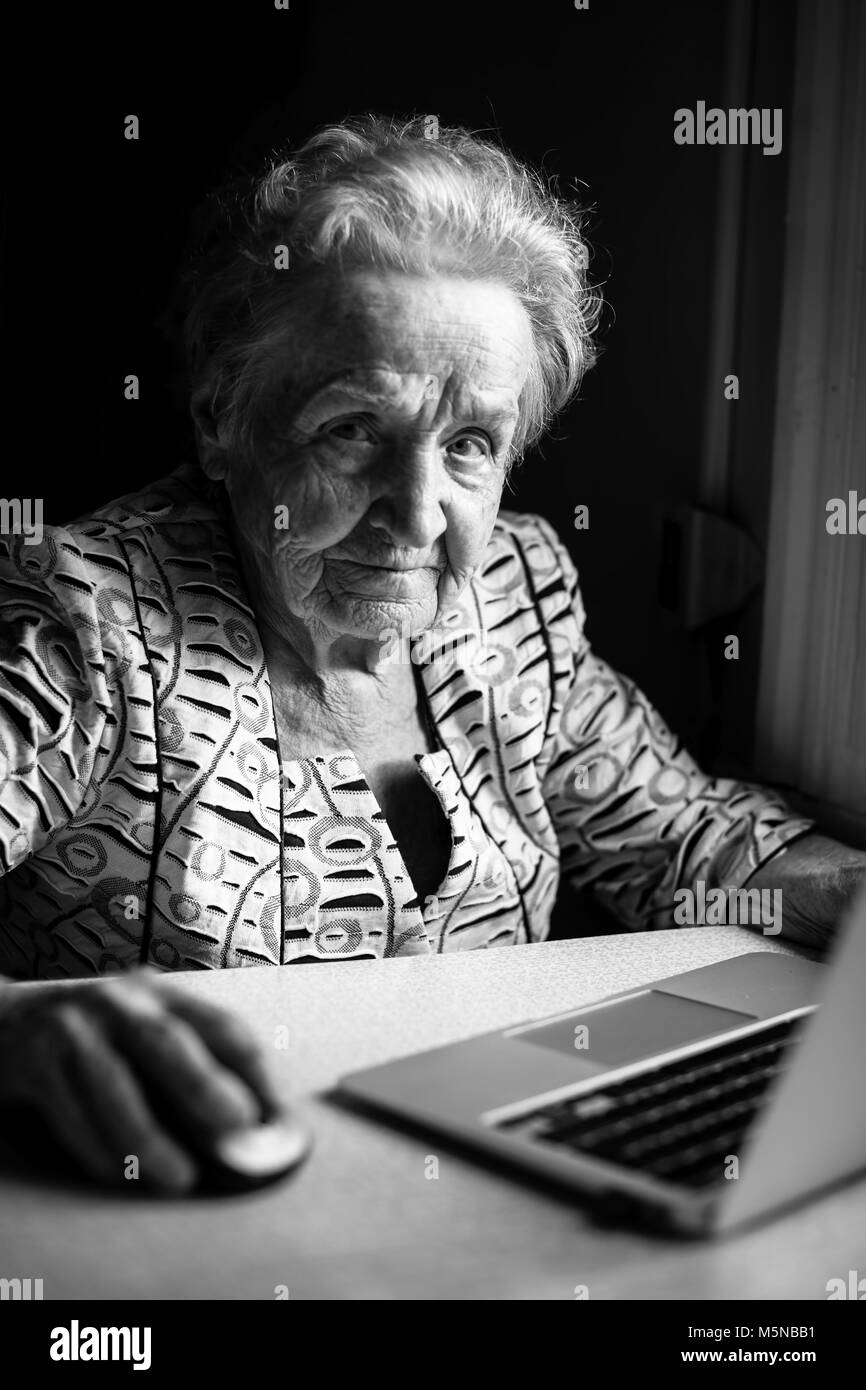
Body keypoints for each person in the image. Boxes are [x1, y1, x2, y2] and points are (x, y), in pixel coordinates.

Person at [0, 116, 862, 1190]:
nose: (416, 515)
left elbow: (685, 850)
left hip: (497, 1185)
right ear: (221, 417)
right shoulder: (85, 622)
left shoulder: (512, 596)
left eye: (468, 445)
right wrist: (24, 1038)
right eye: (352, 429)